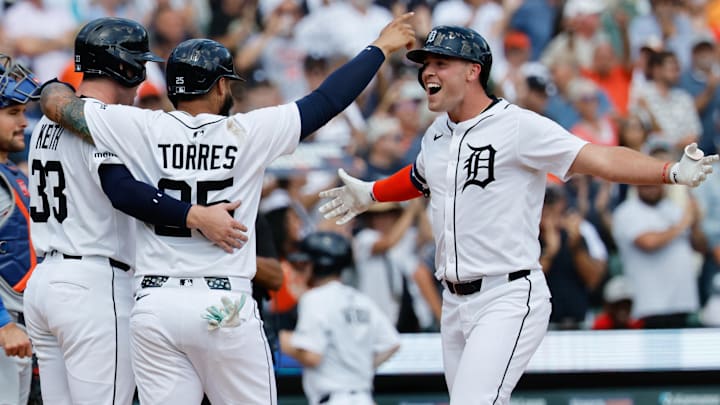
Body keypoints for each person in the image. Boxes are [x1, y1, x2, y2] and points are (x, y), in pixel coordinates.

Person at [317, 25, 718, 404]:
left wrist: (668, 171)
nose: (428, 73)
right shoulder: (437, 133)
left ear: (473, 71)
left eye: (441, 63)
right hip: (454, 303)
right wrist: (372, 192)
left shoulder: (518, 126)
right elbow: (420, 176)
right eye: (426, 64)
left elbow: (597, 158)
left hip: (506, 294)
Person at [38, 14, 416, 404]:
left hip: (155, 305)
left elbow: (62, 107)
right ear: (220, 86)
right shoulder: (249, 132)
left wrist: (50, 87)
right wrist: (380, 48)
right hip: (223, 303)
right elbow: (329, 100)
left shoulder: (138, 127)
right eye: (229, 83)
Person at [23, 18, 246, 405]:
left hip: (46, 283)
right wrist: (195, 215)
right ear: (123, 67)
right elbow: (122, 191)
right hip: (92, 285)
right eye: (138, 65)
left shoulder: (48, 119)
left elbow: (55, 96)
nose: (143, 77)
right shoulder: (105, 123)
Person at [278, 231, 400, 405]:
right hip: (364, 398)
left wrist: (279, 339)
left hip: (334, 398)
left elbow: (312, 356)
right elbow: (392, 343)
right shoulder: (361, 299)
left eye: (305, 263)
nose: (301, 269)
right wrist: (356, 368)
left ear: (316, 265)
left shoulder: (314, 298)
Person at [0, 53, 40, 405]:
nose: (24, 121)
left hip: (21, 324)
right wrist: (3, 324)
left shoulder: (13, 173)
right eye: (12, 112)